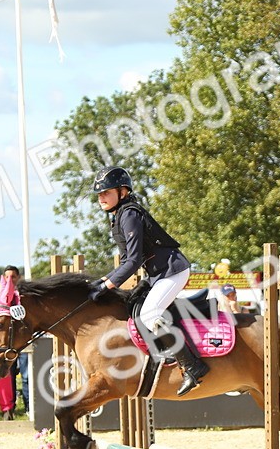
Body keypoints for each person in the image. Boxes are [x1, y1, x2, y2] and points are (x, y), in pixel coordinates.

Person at [87, 165, 208, 395]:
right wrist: (102, 280)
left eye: (106, 192)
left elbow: (132, 262)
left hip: (172, 271)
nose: (101, 197)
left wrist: (107, 286)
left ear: (122, 192)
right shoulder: (118, 217)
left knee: (150, 313)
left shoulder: (130, 214)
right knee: (134, 305)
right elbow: (125, 261)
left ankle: (192, 366)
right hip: (157, 274)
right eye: (99, 194)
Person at [2, 266, 29, 410]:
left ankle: (28, 407)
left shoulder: (24, 296)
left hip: (23, 342)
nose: (10, 280)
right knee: (9, 376)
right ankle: (10, 407)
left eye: (13, 277)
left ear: (18, 278)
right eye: (7, 277)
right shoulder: (1, 297)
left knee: (26, 377)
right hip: (8, 343)